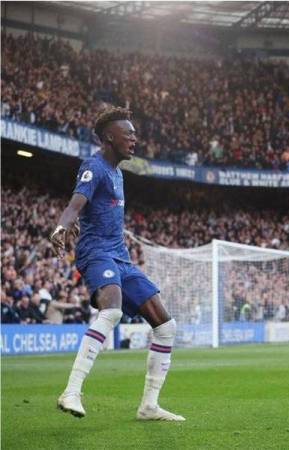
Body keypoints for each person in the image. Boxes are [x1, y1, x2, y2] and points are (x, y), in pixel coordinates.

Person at [49, 107, 184, 421]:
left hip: (120, 256)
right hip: (96, 253)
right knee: (111, 310)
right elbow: (75, 205)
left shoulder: (118, 173)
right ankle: (71, 391)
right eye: (129, 134)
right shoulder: (93, 166)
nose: (135, 139)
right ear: (110, 137)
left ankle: (149, 406)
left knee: (166, 327)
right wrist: (61, 227)